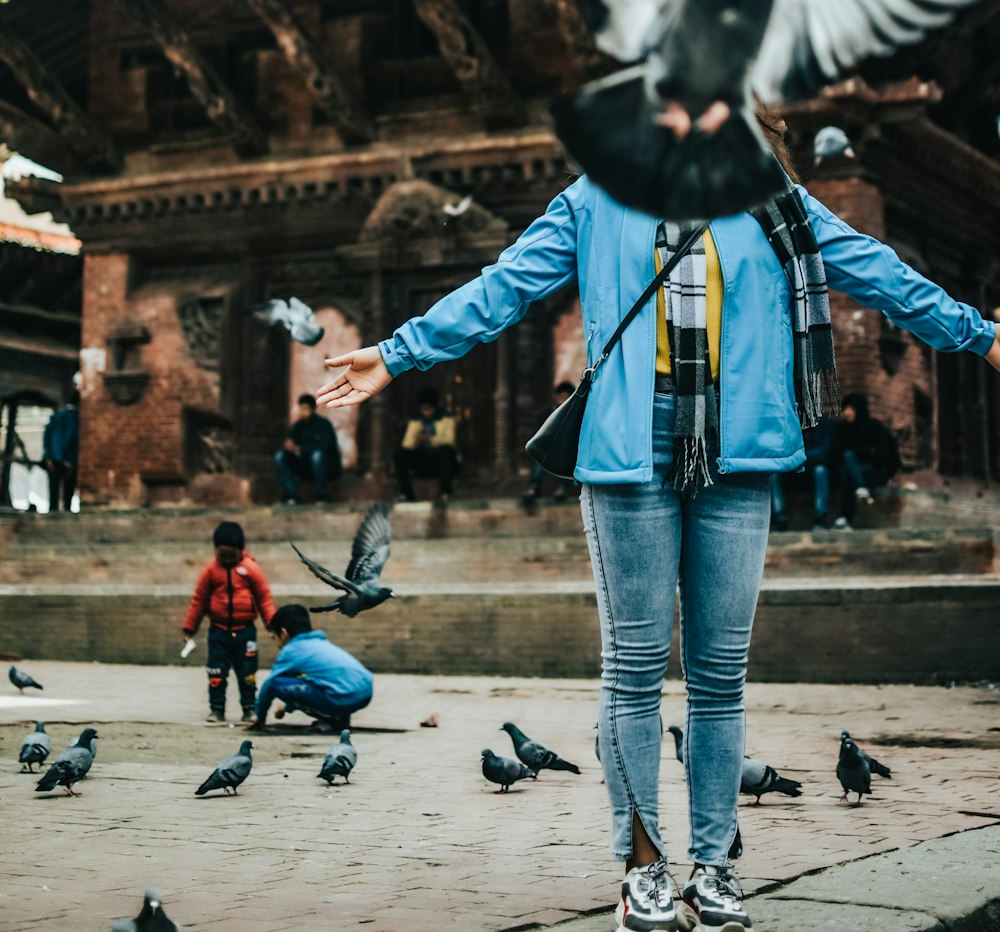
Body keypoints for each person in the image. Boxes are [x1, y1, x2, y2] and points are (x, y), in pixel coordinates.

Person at [316, 117, 1000, 932]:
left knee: (719, 672)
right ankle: (642, 865)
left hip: (738, 454)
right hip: (626, 453)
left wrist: (983, 334)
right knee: (635, 664)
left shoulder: (775, 205)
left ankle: (714, 866)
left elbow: (881, 273)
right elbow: (504, 287)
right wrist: (396, 353)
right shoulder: (597, 200)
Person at [182, 520, 276, 724]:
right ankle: (217, 709)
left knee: (247, 673)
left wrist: (272, 625)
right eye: (221, 556)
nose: (226, 560)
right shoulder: (210, 571)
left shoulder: (251, 569)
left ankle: (250, 708)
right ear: (215, 550)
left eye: (231, 556)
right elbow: (199, 600)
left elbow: (264, 599)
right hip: (218, 632)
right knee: (216, 672)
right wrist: (189, 628)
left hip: (245, 632)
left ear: (241, 550)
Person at [247, 603, 373, 734]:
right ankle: (340, 717)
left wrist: (260, 717)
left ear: (283, 633)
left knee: (275, 683)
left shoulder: (291, 650)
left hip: (341, 697)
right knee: (306, 679)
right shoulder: (319, 643)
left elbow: (270, 685)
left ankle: (332, 720)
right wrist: (287, 706)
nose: (275, 643)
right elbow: (308, 685)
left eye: (274, 637)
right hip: (364, 692)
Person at [834, 392, 901, 529]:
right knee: (848, 464)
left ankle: (846, 518)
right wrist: (865, 452)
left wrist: (859, 454)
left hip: (875, 471)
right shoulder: (842, 428)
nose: (847, 413)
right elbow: (836, 453)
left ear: (859, 409)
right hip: (855, 472)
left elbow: (881, 457)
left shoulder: (875, 427)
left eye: (851, 409)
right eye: (845, 409)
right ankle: (861, 489)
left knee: (850, 464)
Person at [770, 412, 835, 531]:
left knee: (821, 471)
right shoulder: (791, 421)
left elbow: (825, 450)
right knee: (773, 475)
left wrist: (801, 458)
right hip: (794, 468)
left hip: (813, 466)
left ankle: (820, 518)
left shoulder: (825, 422)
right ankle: (779, 518)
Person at [274, 393, 342, 505]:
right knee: (279, 456)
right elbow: (291, 442)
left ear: (312, 409)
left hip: (325, 466)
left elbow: (325, 446)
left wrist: (301, 448)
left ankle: (320, 496)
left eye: (305, 408)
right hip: (304, 465)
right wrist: (289, 446)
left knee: (317, 456)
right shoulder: (298, 426)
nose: (302, 411)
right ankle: (292, 495)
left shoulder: (323, 425)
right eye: (301, 408)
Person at [393, 389, 458, 506]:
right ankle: (406, 493)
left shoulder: (446, 418)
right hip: (422, 461)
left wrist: (430, 439)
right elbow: (407, 444)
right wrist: (417, 439)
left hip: (441, 462)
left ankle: (445, 492)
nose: (426, 412)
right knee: (399, 453)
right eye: (424, 408)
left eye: (429, 408)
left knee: (446, 451)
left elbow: (449, 440)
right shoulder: (416, 420)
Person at [524, 381, 576, 506]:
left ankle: (561, 489)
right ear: (557, 397)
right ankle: (533, 487)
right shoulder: (546, 413)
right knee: (539, 461)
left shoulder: (573, 413)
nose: (563, 400)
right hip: (547, 446)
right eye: (561, 397)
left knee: (563, 459)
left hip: (565, 449)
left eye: (566, 397)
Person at [42, 390, 79, 514]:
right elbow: (74, 441)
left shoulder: (56, 416)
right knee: (68, 489)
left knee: (54, 487)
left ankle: (53, 510)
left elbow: (46, 436)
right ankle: (66, 509)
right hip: (69, 459)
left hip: (53, 457)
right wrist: (71, 462)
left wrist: (48, 457)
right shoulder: (76, 418)